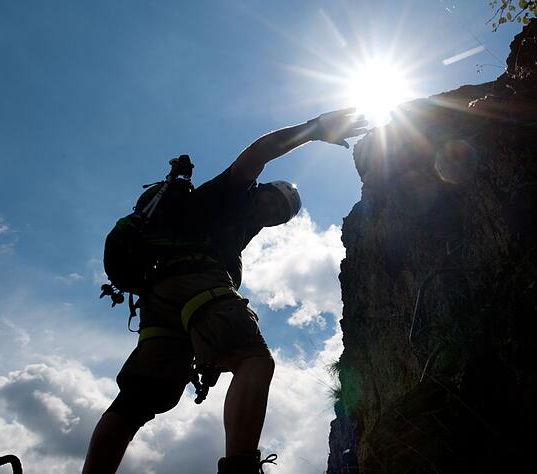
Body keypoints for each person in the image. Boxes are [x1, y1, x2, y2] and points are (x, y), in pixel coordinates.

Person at [83, 108, 367, 474]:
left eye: (281, 214)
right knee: (253, 359)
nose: (274, 212)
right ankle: (241, 469)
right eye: (274, 201)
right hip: (196, 280)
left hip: (162, 298)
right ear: (260, 190)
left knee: (139, 399)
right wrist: (314, 130)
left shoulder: (236, 230)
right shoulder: (232, 193)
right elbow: (259, 152)